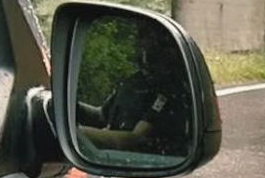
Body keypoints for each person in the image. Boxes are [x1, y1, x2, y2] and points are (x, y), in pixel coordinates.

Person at [77, 23, 191, 156]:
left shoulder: (169, 90)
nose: (144, 45)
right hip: (112, 157)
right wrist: (71, 108)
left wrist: (77, 134)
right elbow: (102, 115)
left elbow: (137, 138)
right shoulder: (133, 82)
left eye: (152, 39)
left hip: (140, 160)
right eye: (142, 37)